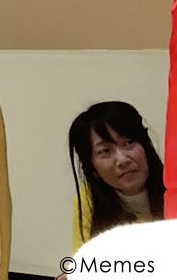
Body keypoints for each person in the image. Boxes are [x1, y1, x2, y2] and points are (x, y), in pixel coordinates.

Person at [69, 101, 164, 246]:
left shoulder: (173, 186)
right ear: (91, 167)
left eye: (128, 143)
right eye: (105, 151)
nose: (123, 160)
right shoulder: (88, 200)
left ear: (147, 145)